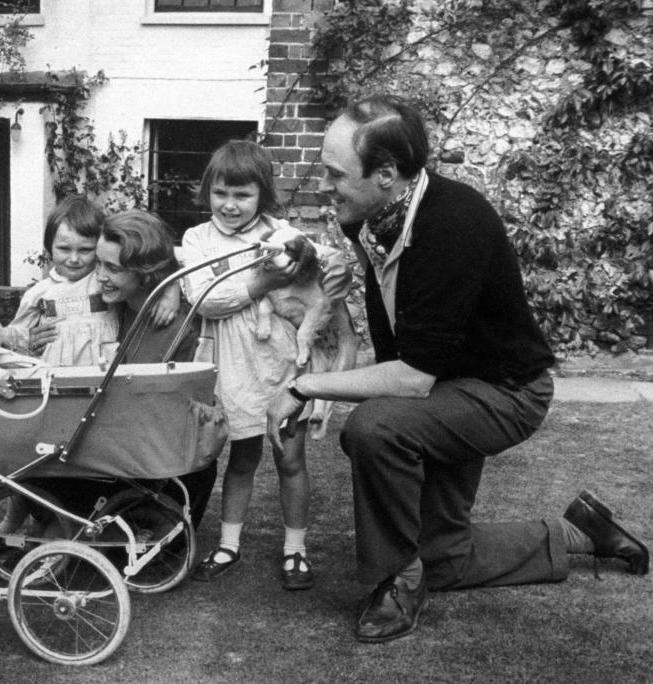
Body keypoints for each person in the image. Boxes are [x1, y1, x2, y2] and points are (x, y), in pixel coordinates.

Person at [266, 95, 650, 642]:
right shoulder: (372, 219)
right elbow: (403, 337)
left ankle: (396, 582)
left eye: (334, 173)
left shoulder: (452, 224)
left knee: (375, 428)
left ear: (386, 174)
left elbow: (413, 375)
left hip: (506, 393)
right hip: (449, 387)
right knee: (443, 559)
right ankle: (578, 532)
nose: (324, 184)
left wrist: (303, 388)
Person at [180, 140, 354, 590]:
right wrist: (262, 282)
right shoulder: (198, 239)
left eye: (243, 195)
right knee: (241, 458)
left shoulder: (282, 232)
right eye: (221, 193)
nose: (230, 205)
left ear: (263, 194)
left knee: (290, 458)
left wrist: (340, 270)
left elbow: (327, 265)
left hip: (281, 365)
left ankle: (295, 550)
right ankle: (229, 544)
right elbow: (206, 300)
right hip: (233, 364)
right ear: (207, 192)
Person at [22, 209, 219, 529]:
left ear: (146, 273)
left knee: (35, 455)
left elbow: (140, 413)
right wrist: (35, 339)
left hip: (154, 464)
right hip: (128, 444)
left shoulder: (168, 325)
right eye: (98, 262)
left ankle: (53, 530)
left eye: (111, 268)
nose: (98, 275)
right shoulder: (116, 303)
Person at [7, 195, 178, 365]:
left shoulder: (103, 282)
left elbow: (157, 265)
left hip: (103, 374)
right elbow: (13, 336)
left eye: (85, 250)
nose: (74, 259)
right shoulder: (40, 293)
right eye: (64, 249)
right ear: (49, 247)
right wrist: (27, 343)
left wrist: (171, 288)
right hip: (55, 376)